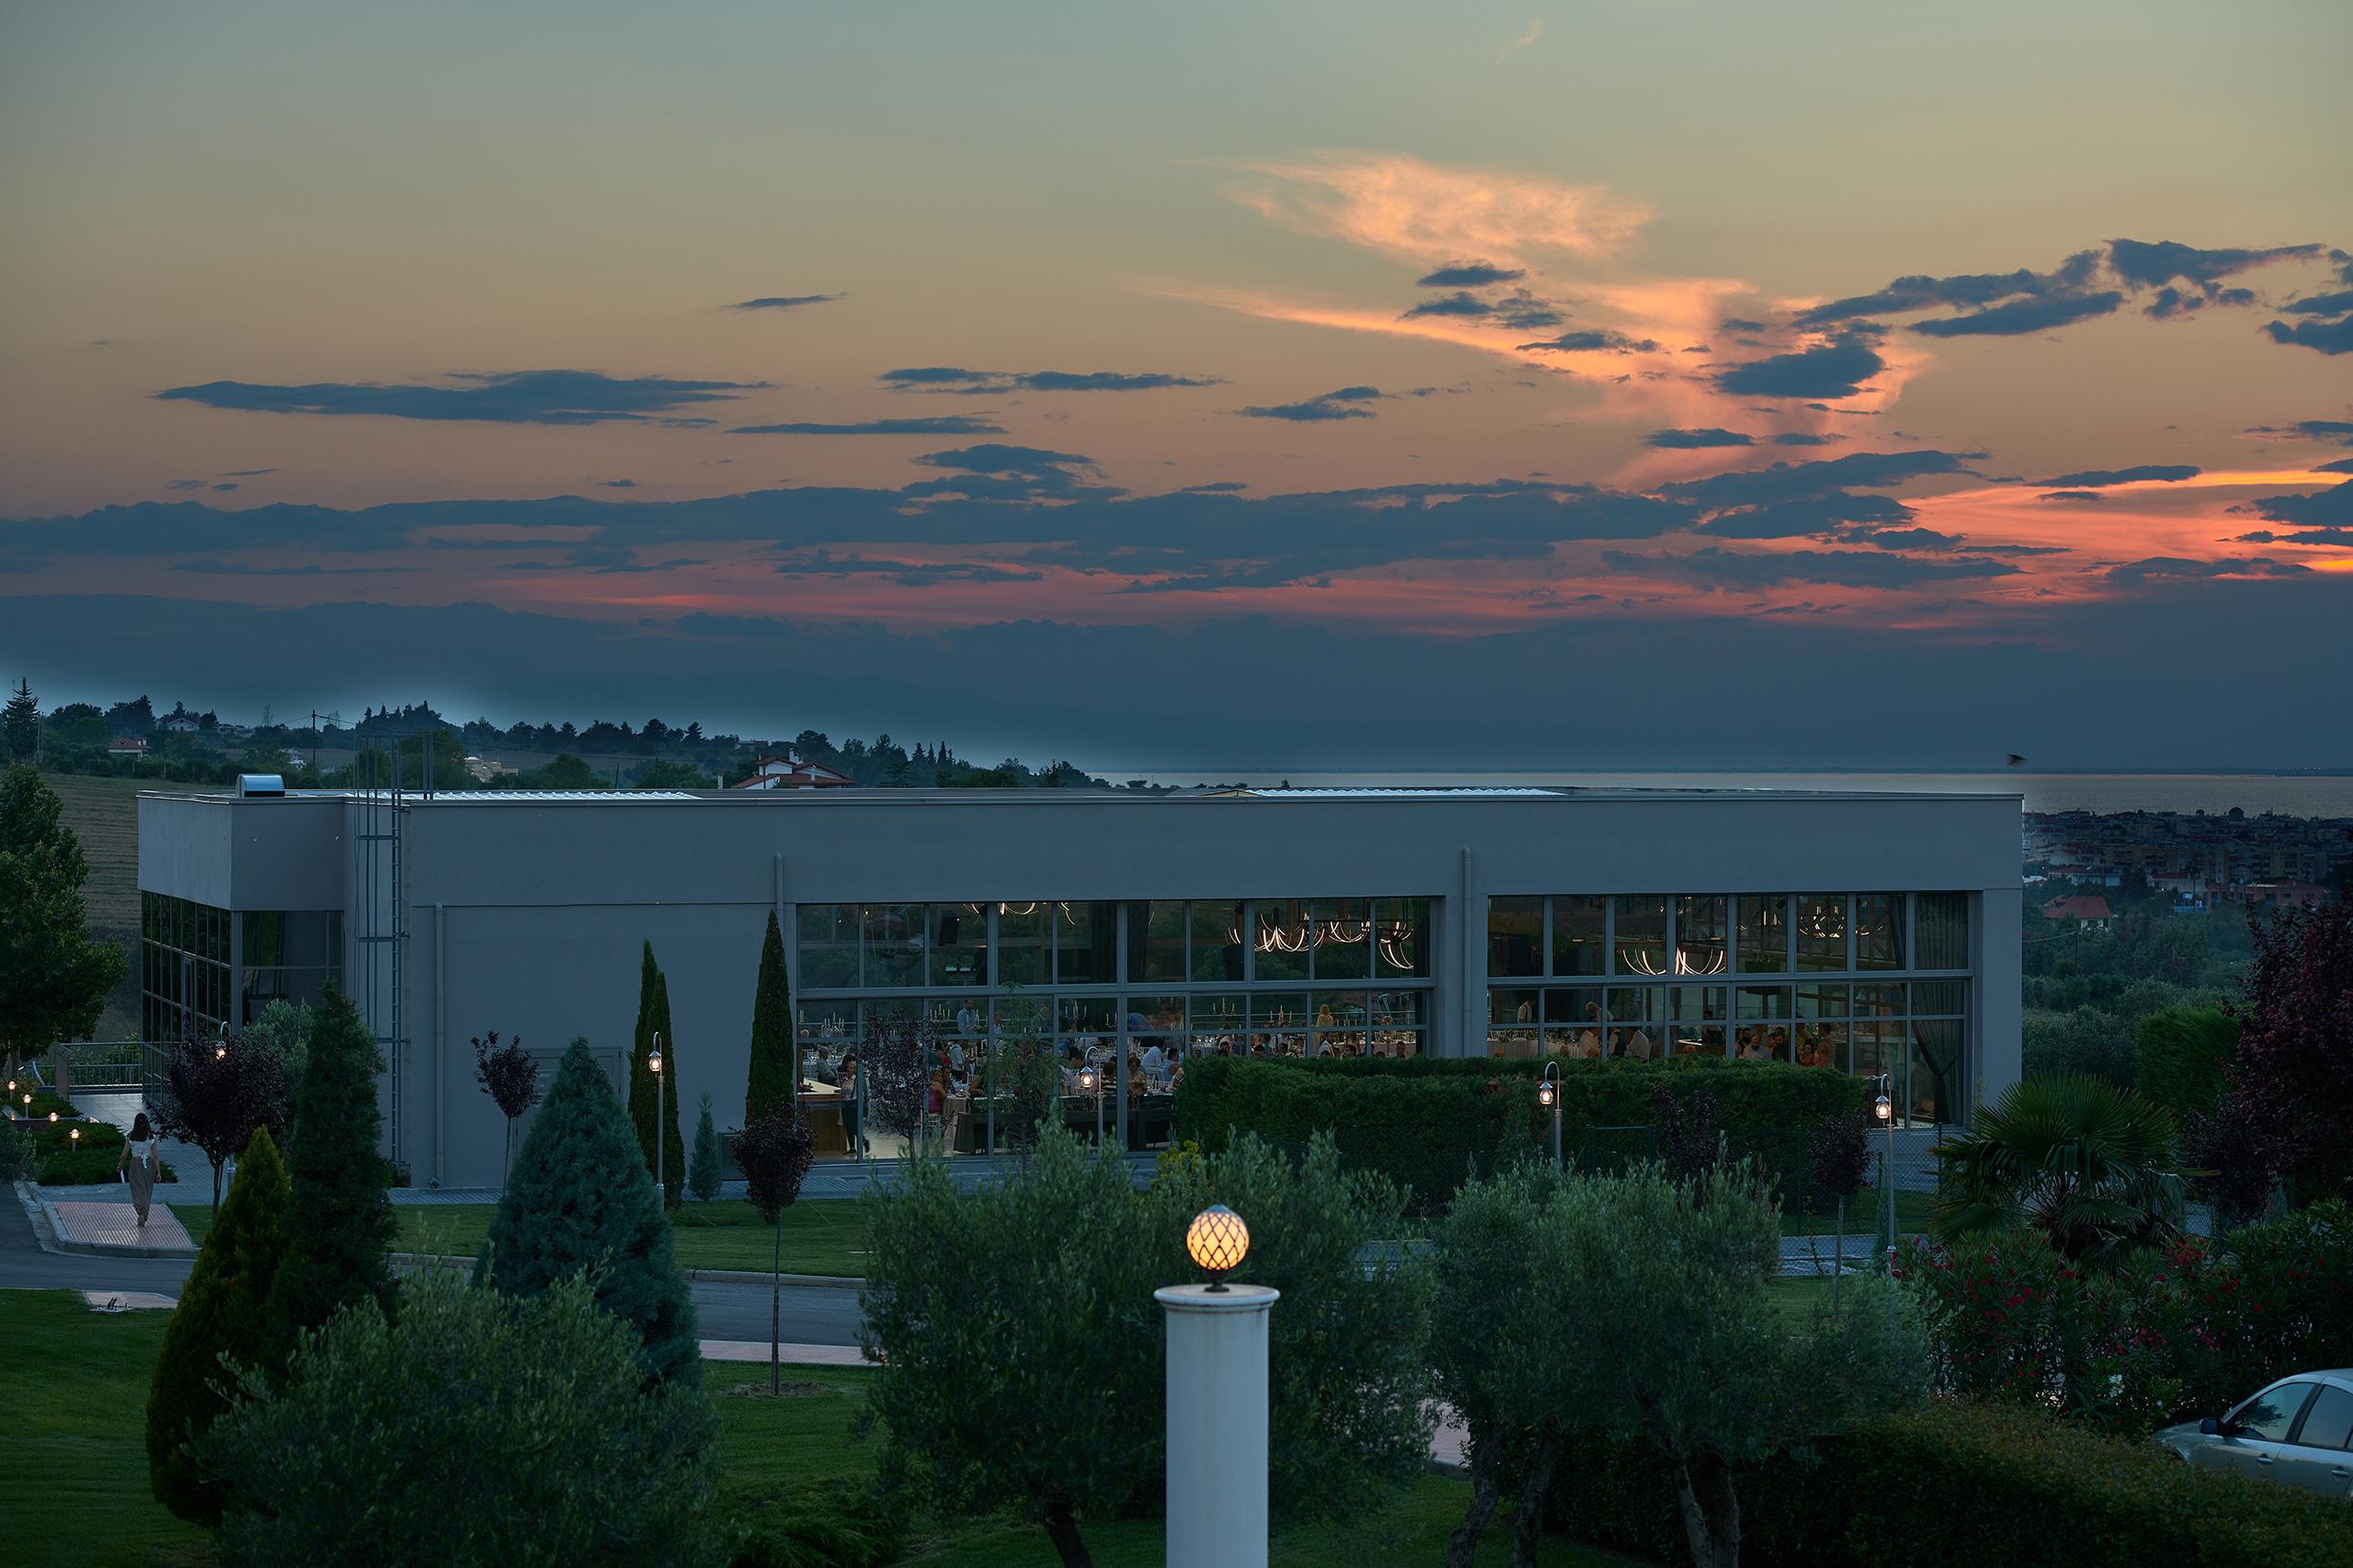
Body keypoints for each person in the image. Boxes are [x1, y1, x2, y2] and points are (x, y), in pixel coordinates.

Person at [118, 1112, 160, 1227]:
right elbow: (155, 1156)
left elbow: (123, 1155)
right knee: (147, 1190)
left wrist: (120, 1166)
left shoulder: (131, 1137)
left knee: (137, 1190)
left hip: (135, 1164)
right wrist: (158, 1172)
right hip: (149, 1165)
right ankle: (144, 1212)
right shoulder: (151, 1137)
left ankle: (140, 1210)